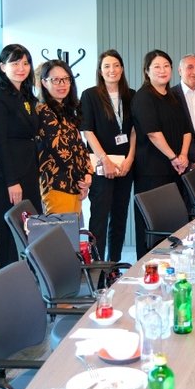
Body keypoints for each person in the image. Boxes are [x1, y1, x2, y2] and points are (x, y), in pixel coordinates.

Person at [0, 44, 42, 269]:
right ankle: (5, 278)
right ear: (2, 66)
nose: (21, 68)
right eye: (15, 63)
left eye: (25, 63)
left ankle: (29, 275)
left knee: (30, 226)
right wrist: (11, 181)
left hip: (28, 170)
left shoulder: (26, 95)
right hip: (8, 174)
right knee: (6, 231)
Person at [132, 50, 192, 258]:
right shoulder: (143, 97)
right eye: (156, 66)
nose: (162, 70)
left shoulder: (174, 96)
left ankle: (171, 262)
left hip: (175, 169)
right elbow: (153, 133)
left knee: (172, 221)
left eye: (166, 66)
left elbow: (187, 130)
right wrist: (174, 157)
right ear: (147, 71)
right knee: (152, 222)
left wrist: (183, 155)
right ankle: (147, 265)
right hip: (152, 170)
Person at [81, 50, 136, 263]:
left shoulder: (131, 95)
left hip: (125, 166)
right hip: (101, 166)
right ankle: (97, 269)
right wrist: (105, 160)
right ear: (100, 70)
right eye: (107, 66)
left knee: (120, 218)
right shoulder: (90, 95)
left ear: (122, 69)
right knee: (99, 219)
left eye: (116, 65)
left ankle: (113, 265)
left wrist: (130, 159)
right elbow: (88, 131)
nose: (112, 70)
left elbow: (134, 130)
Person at [36, 60, 93, 216]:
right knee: (61, 231)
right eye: (55, 80)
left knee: (73, 230)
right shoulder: (44, 111)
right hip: (56, 185)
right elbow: (60, 151)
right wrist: (82, 179)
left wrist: (88, 173)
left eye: (66, 79)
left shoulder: (66, 111)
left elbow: (80, 146)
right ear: (44, 83)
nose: (62, 84)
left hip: (74, 184)